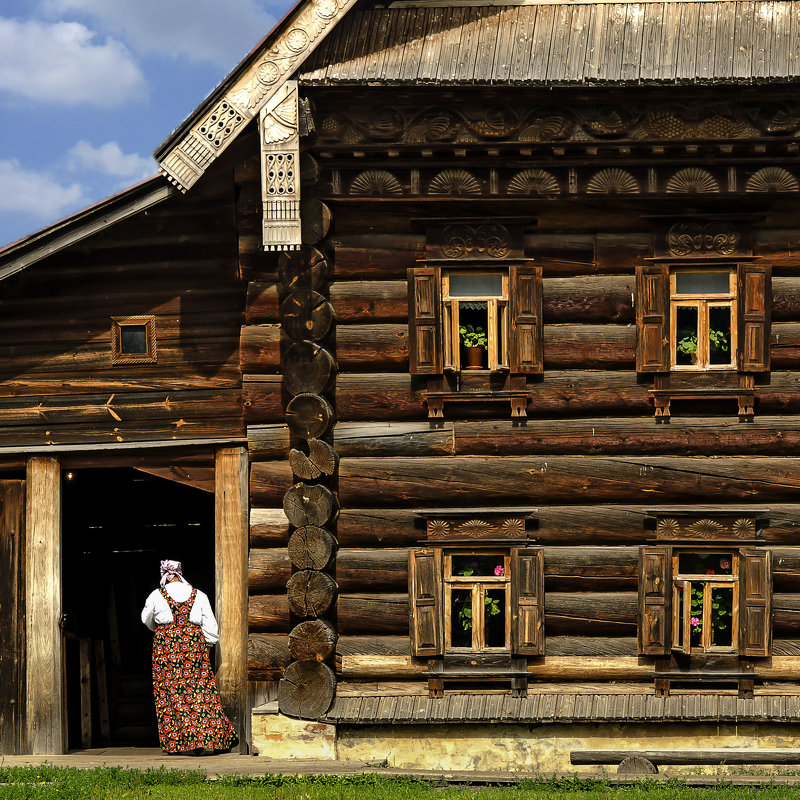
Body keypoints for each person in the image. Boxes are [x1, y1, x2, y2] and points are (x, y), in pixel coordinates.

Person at [141, 559, 237, 754]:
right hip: (194, 647)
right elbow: (211, 628)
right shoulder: (198, 595)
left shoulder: (156, 595)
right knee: (201, 693)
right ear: (180, 573)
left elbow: (146, 620)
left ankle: (179, 743)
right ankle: (213, 739)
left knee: (171, 694)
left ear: (164, 574)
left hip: (166, 648)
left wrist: (162, 630)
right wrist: (206, 647)